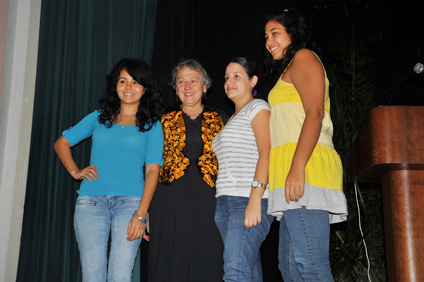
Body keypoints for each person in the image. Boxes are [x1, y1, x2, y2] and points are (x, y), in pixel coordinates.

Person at [54, 58, 164, 282]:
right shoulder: (99, 117)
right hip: (90, 204)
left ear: (144, 89)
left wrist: (141, 214)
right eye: (123, 81)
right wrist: (76, 171)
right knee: (92, 275)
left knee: (120, 276)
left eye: (135, 82)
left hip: (131, 205)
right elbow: (61, 143)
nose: (128, 87)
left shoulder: (152, 125)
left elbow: (153, 171)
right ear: (116, 85)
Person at [264, 8, 348, 281]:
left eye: (275, 33)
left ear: (293, 34)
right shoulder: (289, 69)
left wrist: (297, 167)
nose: (268, 41)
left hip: (306, 169)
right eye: (266, 36)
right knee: (290, 268)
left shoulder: (303, 57)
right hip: (292, 172)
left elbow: (315, 112)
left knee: (310, 265)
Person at [147, 59, 228, 282]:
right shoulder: (160, 121)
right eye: (181, 82)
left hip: (210, 203)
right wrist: (145, 211)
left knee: (209, 259)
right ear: (175, 88)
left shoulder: (222, 119)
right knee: (168, 262)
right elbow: (149, 166)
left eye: (194, 81)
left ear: (205, 87)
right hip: (167, 205)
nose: (187, 86)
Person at [212, 57, 274, 282]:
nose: (230, 81)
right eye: (227, 78)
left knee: (235, 272)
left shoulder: (258, 107)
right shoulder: (232, 119)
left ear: (253, 81)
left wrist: (255, 199)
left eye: (237, 76)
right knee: (247, 272)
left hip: (247, 200)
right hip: (225, 203)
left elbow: (266, 152)